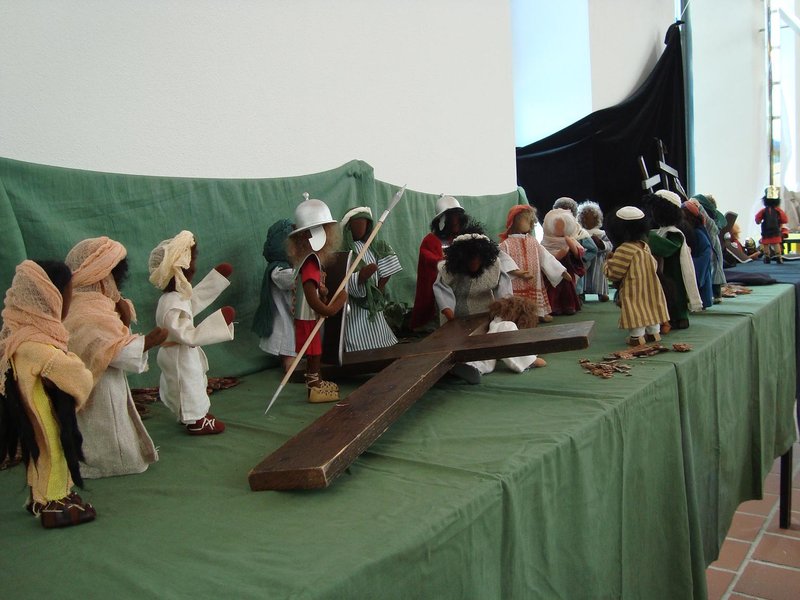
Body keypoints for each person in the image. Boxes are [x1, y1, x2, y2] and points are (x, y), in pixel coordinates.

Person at [0, 260, 96, 528]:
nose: (69, 301)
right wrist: (76, 365)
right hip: (42, 409)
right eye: (67, 294)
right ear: (51, 297)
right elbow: (76, 375)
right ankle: (55, 502)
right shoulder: (38, 345)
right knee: (53, 449)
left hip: (27, 405)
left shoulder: (17, 333)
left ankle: (39, 498)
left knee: (39, 453)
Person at [64, 237, 167, 477]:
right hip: (97, 386)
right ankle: (110, 463)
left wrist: (123, 318)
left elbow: (110, 340)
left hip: (100, 381)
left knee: (103, 423)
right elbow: (110, 350)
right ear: (100, 275)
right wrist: (148, 342)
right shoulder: (86, 310)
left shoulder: (88, 304)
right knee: (106, 425)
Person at [148, 230, 235, 434]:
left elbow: (193, 300)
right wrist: (220, 322)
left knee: (185, 385)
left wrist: (216, 280)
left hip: (179, 351)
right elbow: (187, 335)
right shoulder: (171, 303)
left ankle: (191, 416)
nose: (194, 266)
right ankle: (196, 422)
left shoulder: (175, 297)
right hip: (179, 353)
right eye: (191, 261)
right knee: (188, 385)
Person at [286, 194, 347, 402]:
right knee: (314, 352)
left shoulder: (308, 261)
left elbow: (313, 289)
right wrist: (333, 306)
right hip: (307, 317)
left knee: (314, 351)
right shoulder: (310, 262)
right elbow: (311, 298)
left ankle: (316, 382)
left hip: (307, 316)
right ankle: (314, 386)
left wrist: (323, 291)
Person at [605, 207, 669, 346]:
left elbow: (614, 272)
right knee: (651, 309)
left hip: (634, 289)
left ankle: (637, 337)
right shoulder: (644, 246)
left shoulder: (624, 249)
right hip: (651, 287)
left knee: (636, 312)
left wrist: (608, 262)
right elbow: (654, 265)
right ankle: (654, 333)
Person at [341, 206, 402, 352]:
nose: (361, 227)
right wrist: (360, 278)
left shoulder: (374, 247)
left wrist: (378, 289)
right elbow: (342, 276)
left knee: (376, 323)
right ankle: (361, 277)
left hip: (373, 298)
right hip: (353, 304)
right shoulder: (345, 251)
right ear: (349, 227)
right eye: (357, 224)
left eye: (365, 224)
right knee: (354, 323)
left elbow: (387, 270)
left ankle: (378, 342)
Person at [409, 194, 470, 330]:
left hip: (463, 289)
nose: (455, 220)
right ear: (442, 220)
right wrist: (449, 262)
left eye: (457, 216)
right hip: (441, 290)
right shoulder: (430, 241)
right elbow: (431, 263)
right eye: (451, 216)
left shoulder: (465, 238)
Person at [498, 204, 568, 322]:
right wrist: (517, 272)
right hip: (516, 280)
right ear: (515, 221)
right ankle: (517, 315)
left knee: (534, 293)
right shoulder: (505, 244)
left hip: (534, 278)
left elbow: (546, 257)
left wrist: (561, 271)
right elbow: (504, 261)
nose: (531, 223)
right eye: (527, 220)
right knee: (515, 297)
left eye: (531, 221)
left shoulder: (533, 241)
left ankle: (539, 313)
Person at [647, 191, 702, 330]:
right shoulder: (661, 231)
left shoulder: (675, 233)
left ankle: (680, 317)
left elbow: (667, 248)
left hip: (675, 273)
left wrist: (647, 237)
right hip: (665, 272)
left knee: (677, 295)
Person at [252, 219, 296, 372]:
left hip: (289, 313)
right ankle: (289, 365)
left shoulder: (286, 267)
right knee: (287, 341)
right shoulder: (277, 270)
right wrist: (306, 273)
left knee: (292, 339)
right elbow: (291, 280)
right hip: (281, 316)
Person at [540, 208, 585, 315]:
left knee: (568, 289)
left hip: (567, 269)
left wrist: (571, 245)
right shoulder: (546, 242)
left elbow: (579, 254)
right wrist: (558, 256)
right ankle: (554, 307)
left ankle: (569, 306)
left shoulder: (571, 239)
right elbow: (545, 258)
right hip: (552, 273)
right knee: (553, 290)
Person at [553, 197, 598, 298]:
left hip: (572, 264)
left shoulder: (579, 232)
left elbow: (593, 249)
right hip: (556, 263)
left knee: (574, 283)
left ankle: (577, 296)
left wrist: (581, 259)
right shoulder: (552, 230)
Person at [576, 200, 612, 302]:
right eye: (584, 217)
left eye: (590, 217)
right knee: (582, 276)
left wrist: (601, 244)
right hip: (584, 259)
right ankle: (581, 293)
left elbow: (609, 245)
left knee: (599, 276)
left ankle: (601, 293)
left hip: (598, 261)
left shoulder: (602, 234)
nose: (587, 220)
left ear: (597, 218)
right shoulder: (579, 233)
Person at [755, 185, 790, 264]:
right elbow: (784, 219)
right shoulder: (778, 210)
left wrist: (758, 221)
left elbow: (758, 218)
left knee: (766, 244)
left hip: (766, 230)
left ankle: (767, 257)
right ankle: (778, 257)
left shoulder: (764, 210)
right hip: (775, 230)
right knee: (776, 244)